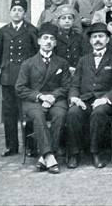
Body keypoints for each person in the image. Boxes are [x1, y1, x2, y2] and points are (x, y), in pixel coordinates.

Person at [15, 22, 72, 174]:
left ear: (55, 43)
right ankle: (49, 156)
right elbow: (20, 88)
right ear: (39, 41)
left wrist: (52, 97)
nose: (48, 41)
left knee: (60, 115)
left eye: (51, 39)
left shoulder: (62, 63)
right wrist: (41, 97)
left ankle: (44, 157)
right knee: (38, 116)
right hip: (33, 101)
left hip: (56, 100)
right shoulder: (28, 63)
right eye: (45, 38)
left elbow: (67, 86)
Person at [66, 23, 112, 169]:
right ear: (90, 41)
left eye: (101, 36)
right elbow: (75, 84)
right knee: (73, 112)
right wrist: (74, 98)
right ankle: (74, 154)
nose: (97, 40)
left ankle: (95, 153)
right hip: (84, 100)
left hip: (105, 102)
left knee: (99, 112)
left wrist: (105, 99)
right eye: (94, 37)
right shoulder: (83, 60)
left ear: (107, 39)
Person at [0, 0, 39, 157]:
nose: (17, 13)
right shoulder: (3, 30)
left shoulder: (31, 30)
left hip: (26, 79)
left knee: (28, 112)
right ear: (10, 12)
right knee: (9, 113)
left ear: (25, 13)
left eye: (20, 10)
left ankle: (30, 147)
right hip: (7, 78)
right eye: (14, 10)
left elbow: (36, 55)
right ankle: (11, 146)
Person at [52, 4, 88, 74]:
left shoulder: (79, 37)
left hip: (77, 72)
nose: (67, 21)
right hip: (59, 72)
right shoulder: (54, 37)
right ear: (58, 21)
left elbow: (85, 56)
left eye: (70, 18)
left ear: (73, 21)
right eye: (63, 18)